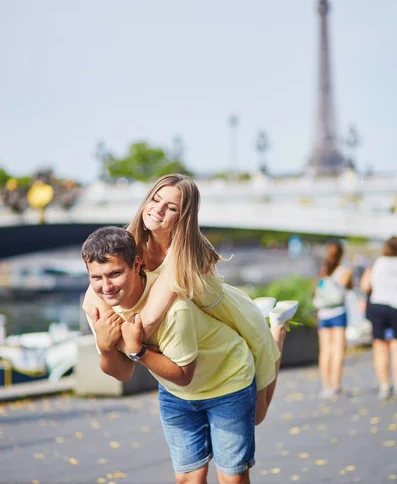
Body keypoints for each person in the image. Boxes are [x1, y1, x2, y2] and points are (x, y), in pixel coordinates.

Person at [82, 226, 283, 484]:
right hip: (177, 394)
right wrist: (108, 347)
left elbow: (182, 372)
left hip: (227, 379)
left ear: (136, 265)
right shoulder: (102, 307)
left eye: (115, 274)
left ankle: (276, 332)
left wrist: (137, 350)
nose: (106, 286)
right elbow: (121, 373)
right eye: (97, 278)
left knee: (232, 476)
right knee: (187, 478)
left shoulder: (172, 309)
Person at [82, 174, 297, 424]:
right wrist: (108, 338)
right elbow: (90, 299)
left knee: (258, 415)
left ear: (183, 216)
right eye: (155, 199)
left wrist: (125, 343)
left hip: (229, 313)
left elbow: (149, 320)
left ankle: (277, 329)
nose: (158, 210)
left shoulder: (184, 253)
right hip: (202, 322)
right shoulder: (130, 244)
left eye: (171, 207)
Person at [360, 236, 397, 400]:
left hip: (378, 306)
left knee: (379, 346)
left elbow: (365, 285)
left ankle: (384, 385)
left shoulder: (377, 263)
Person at [315, 240, 353, 398]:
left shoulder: (323, 271)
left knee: (325, 351)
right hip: (338, 313)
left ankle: (326, 386)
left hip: (323, 314)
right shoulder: (344, 271)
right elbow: (349, 287)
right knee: (338, 350)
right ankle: (336, 385)